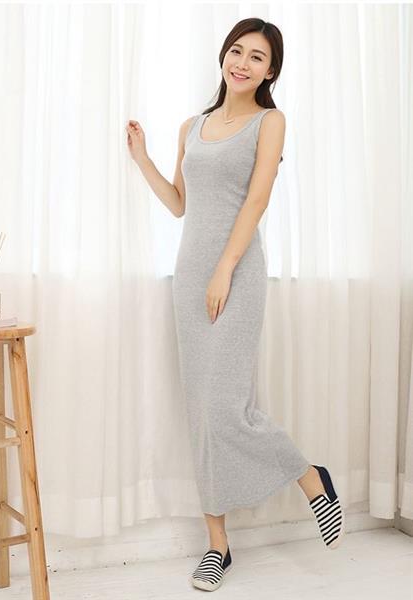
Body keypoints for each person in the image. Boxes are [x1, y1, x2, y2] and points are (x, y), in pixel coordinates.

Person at [126, 16, 345, 592]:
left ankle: (310, 477)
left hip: (238, 274)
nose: (242, 63)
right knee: (203, 414)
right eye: (237, 51)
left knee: (227, 408)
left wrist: (225, 268)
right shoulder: (192, 126)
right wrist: (143, 160)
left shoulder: (270, 122)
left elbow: (257, 201)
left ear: (270, 72)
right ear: (224, 55)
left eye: (257, 57)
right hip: (190, 280)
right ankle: (217, 545)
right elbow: (180, 204)